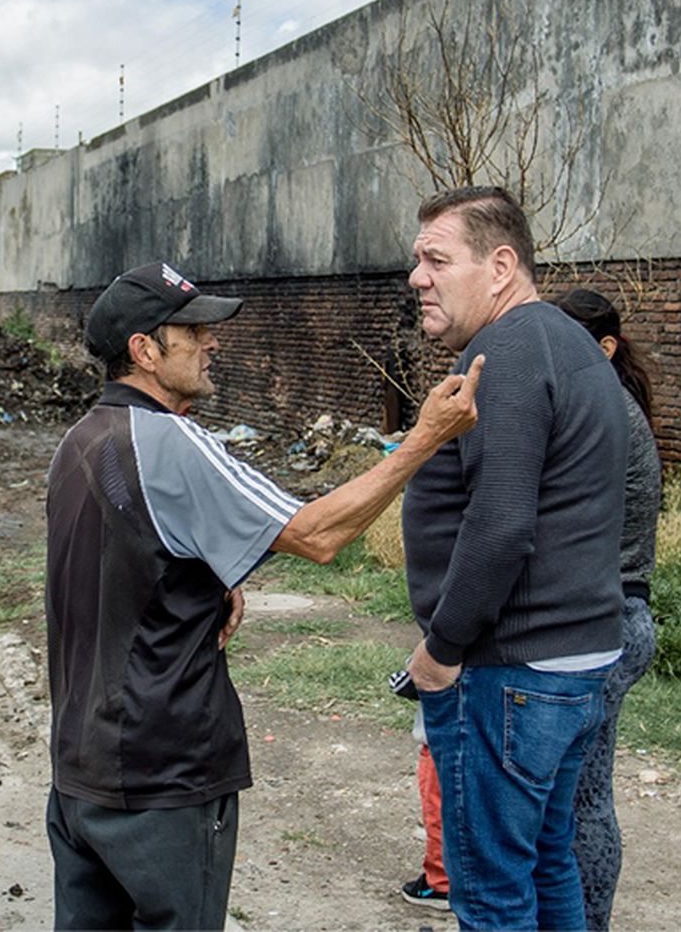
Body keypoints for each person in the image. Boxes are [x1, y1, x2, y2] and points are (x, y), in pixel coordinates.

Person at [45, 261, 483, 930]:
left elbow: (133, 560)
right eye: (193, 332)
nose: (211, 343)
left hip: (81, 770)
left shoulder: (79, 441)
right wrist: (423, 440)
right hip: (163, 772)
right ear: (145, 351)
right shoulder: (173, 441)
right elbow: (317, 534)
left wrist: (215, 581)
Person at [400, 186, 628, 931]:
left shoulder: (512, 351)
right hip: (572, 662)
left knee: (494, 891)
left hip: (512, 674)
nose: (417, 278)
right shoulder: (568, 345)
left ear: (501, 265)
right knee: (547, 860)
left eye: (437, 259)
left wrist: (442, 648)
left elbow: (500, 527)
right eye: (417, 260)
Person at [554, 288, 661, 932]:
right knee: (580, 797)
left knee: (583, 800)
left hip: (612, 620)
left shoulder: (608, 412)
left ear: (604, 349)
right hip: (615, 616)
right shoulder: (609, 404)